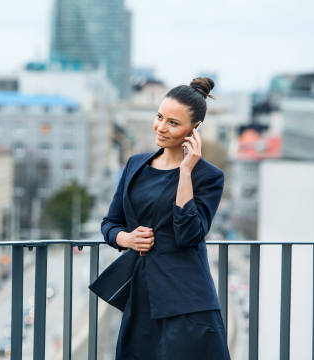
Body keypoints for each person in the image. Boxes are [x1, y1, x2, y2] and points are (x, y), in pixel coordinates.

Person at [97, 77, 230, 359]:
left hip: (187, 301)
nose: (161, 127)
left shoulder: (208, 177)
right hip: (142, 295)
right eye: (159, 117)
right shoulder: (135, 164)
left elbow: (189, 235)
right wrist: (127, 238)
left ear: (194, 130)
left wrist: (185, 171)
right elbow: (110, 223)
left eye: (173, 122)